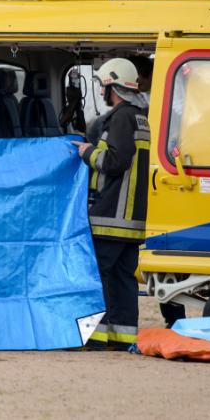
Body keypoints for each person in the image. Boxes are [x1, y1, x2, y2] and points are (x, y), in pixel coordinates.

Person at [71, 57, 150, 351]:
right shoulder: (140, 116)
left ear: (111, 86)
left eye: (103, 86)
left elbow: (115, 161)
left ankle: (95, 338)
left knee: (98, 276)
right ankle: (123, 338)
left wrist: (87, 151)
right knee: (123, 280)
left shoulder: (120, 118)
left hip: (110, 217)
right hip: (130, 221)